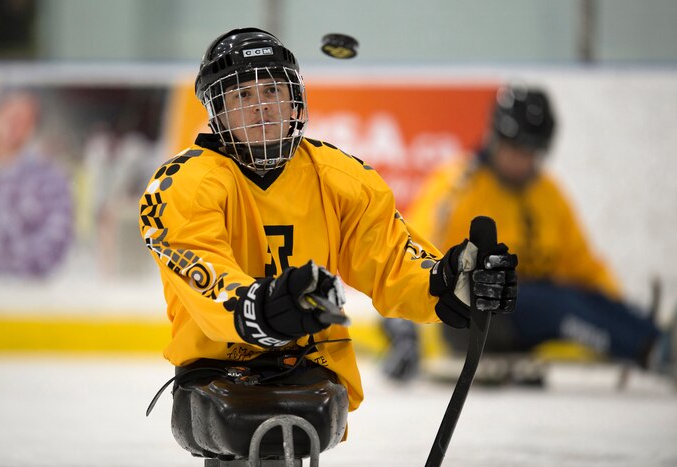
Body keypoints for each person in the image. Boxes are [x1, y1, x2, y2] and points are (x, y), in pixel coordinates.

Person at [138, 26, 517, 432]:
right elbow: (205, 276)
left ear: (293, 100)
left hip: (312, 363)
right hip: (217, 366)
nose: (261, 107)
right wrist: (263, 307)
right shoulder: (182, 184)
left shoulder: (340, 178)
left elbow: (389, 261)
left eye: (271, 91)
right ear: (218, 110)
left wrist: (446, 283)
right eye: (242, 95)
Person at [381, 85, 676, 384]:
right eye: (516, 148)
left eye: (532, 151)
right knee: (556, 303)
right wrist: (402, 328)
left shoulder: (548, 193)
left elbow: (581, 265)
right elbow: (411, 248)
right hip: (469, 317)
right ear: (496, 139)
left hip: (525, 313)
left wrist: (616, 309)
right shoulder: (458, 185)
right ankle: (652, 350)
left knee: (568, 296)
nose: (523, 160)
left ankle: (654, 338)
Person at [0, 89, 73, 278]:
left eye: (24, 121)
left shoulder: (49, 179)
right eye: (9, 116)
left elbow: (53, 244)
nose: (14, 126)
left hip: (21, 295)